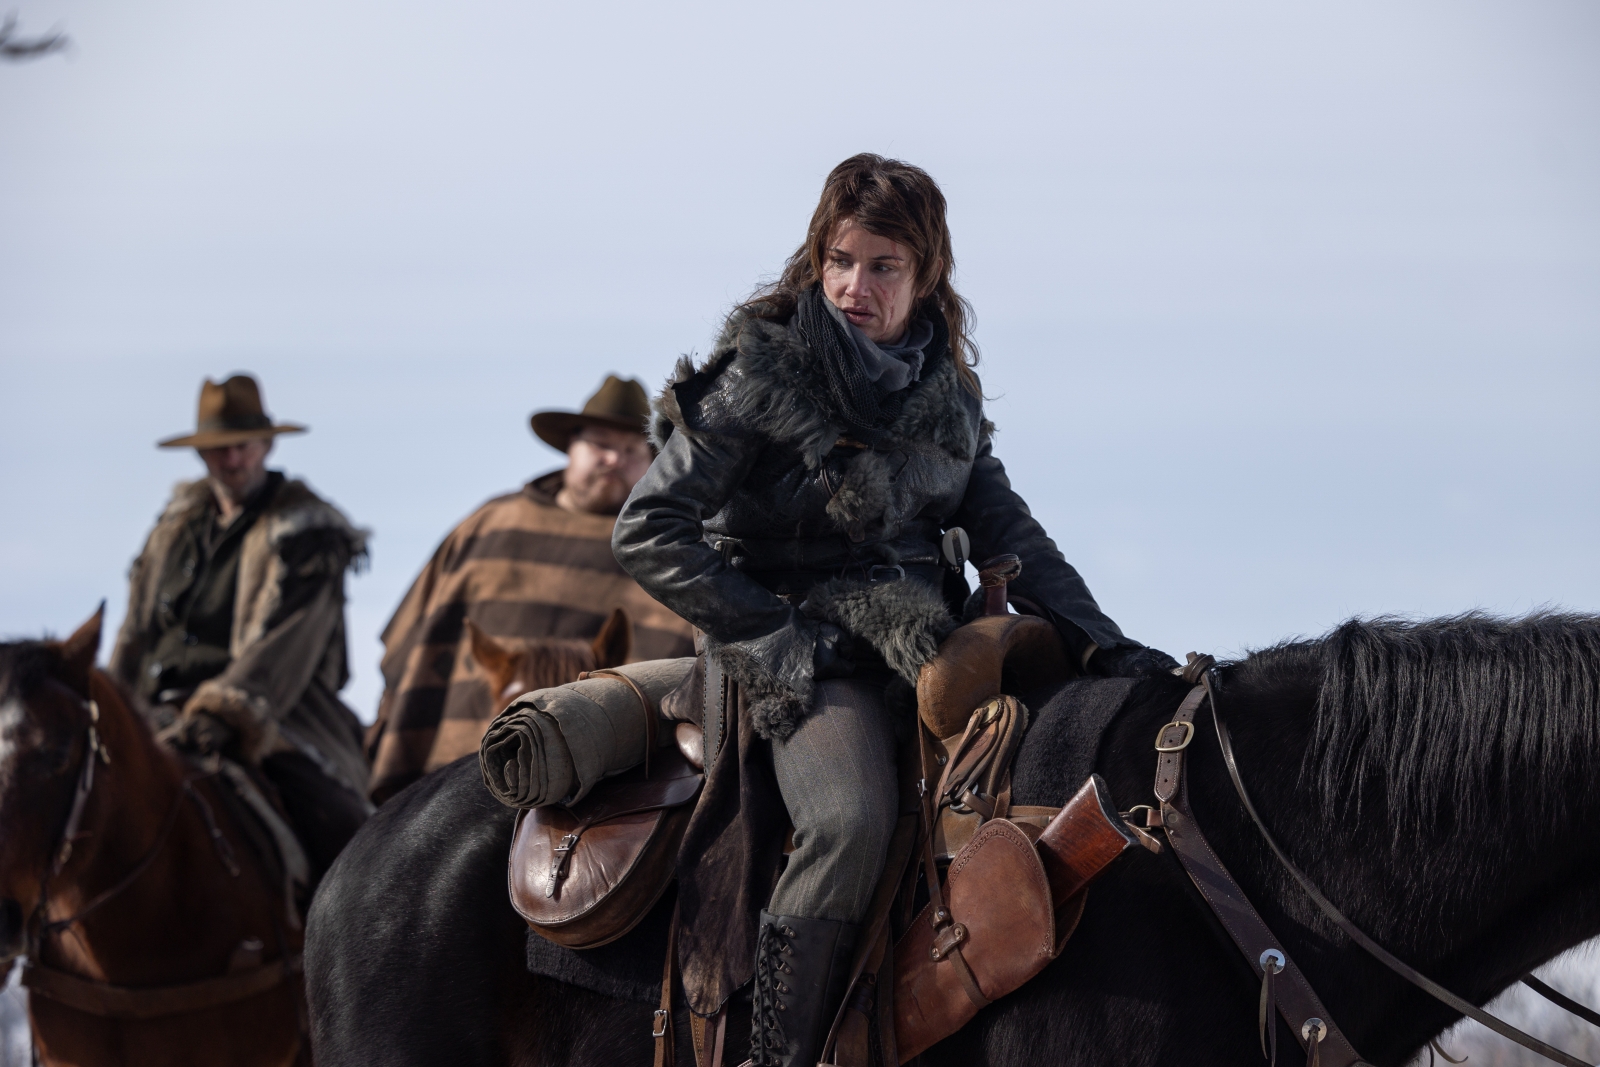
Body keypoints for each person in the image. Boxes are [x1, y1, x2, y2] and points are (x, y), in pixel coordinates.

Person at [613, 154, 1178, 1066]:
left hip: (921, 648)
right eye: (840, 261)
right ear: (816, 259)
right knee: (849, 821)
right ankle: (777, 1056)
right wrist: (779, 636)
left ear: (926, 274)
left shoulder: (946, 397)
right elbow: (647, 529)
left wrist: (1106, 647)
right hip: (791, 654)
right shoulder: (756, 375)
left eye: (883, 266)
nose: (854, 286)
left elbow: (1012, 535)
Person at [366, 375, 697, 802]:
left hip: (603, 775)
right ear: (571, 448)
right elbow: (413, 638)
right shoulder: (491, 526)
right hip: (458, 757)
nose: (614, 459)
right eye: (600, 444)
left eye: (632, 450)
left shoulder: (661, 546)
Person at [109, 374, 372, 889]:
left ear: (267, 445)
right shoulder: (172, 531)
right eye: (218, 449)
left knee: (346, 838)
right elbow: (135, 631)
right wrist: (112, 708)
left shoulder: (307, 531)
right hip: (155, 712)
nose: (231, 460)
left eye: (242, 446)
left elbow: (285, 646)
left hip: (275, 715)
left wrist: (220, 716)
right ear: (200, 454)